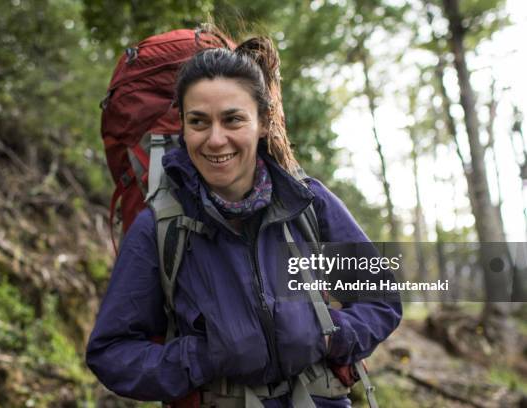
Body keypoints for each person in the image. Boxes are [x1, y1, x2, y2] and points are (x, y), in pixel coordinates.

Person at [86, 35, 402, 407]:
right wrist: (202, 357)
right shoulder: (161, 225)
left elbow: (381, 299)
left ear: (264, 122)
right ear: (183, 128)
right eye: (199, 122)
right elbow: (111, 352)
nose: (216, 139)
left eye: (233, 119)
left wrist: (329, 335)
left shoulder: (307, 203)